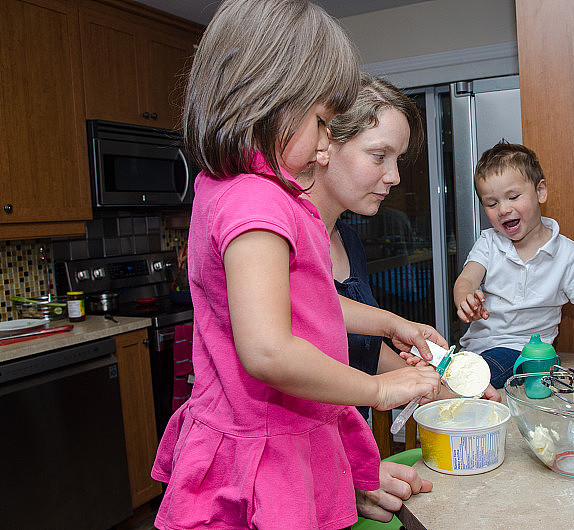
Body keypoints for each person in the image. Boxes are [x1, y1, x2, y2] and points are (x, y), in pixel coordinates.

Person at [151, 2, 444, 529]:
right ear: (271, 103)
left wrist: (387, 322)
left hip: (276, 431)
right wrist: (381, 390)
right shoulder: (256, 204)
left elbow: (301, 302)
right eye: (323, 123)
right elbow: (267, 349)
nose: (327, 142)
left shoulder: (240, 193)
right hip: (264, 443)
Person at [307, 74, 501, 522]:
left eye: (396, 159)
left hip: (341, 461)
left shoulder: (350, 241)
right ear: (325, 145)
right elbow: (278, 378)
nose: (393, 177)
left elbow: (362, 350)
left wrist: (445, 388)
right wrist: (342, 477)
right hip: (297, 469)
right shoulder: (281, 245)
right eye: (379, 156)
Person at [453, 141, 574, 389]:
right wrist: (465, 298)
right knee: (438, 372)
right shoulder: (489, 243)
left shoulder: (569, 255)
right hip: (476, 350)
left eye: (513, 197)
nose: (503, 209)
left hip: (526, 352)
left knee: (472, 380)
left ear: (540, 192)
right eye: (491, 203)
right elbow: (466, 279)